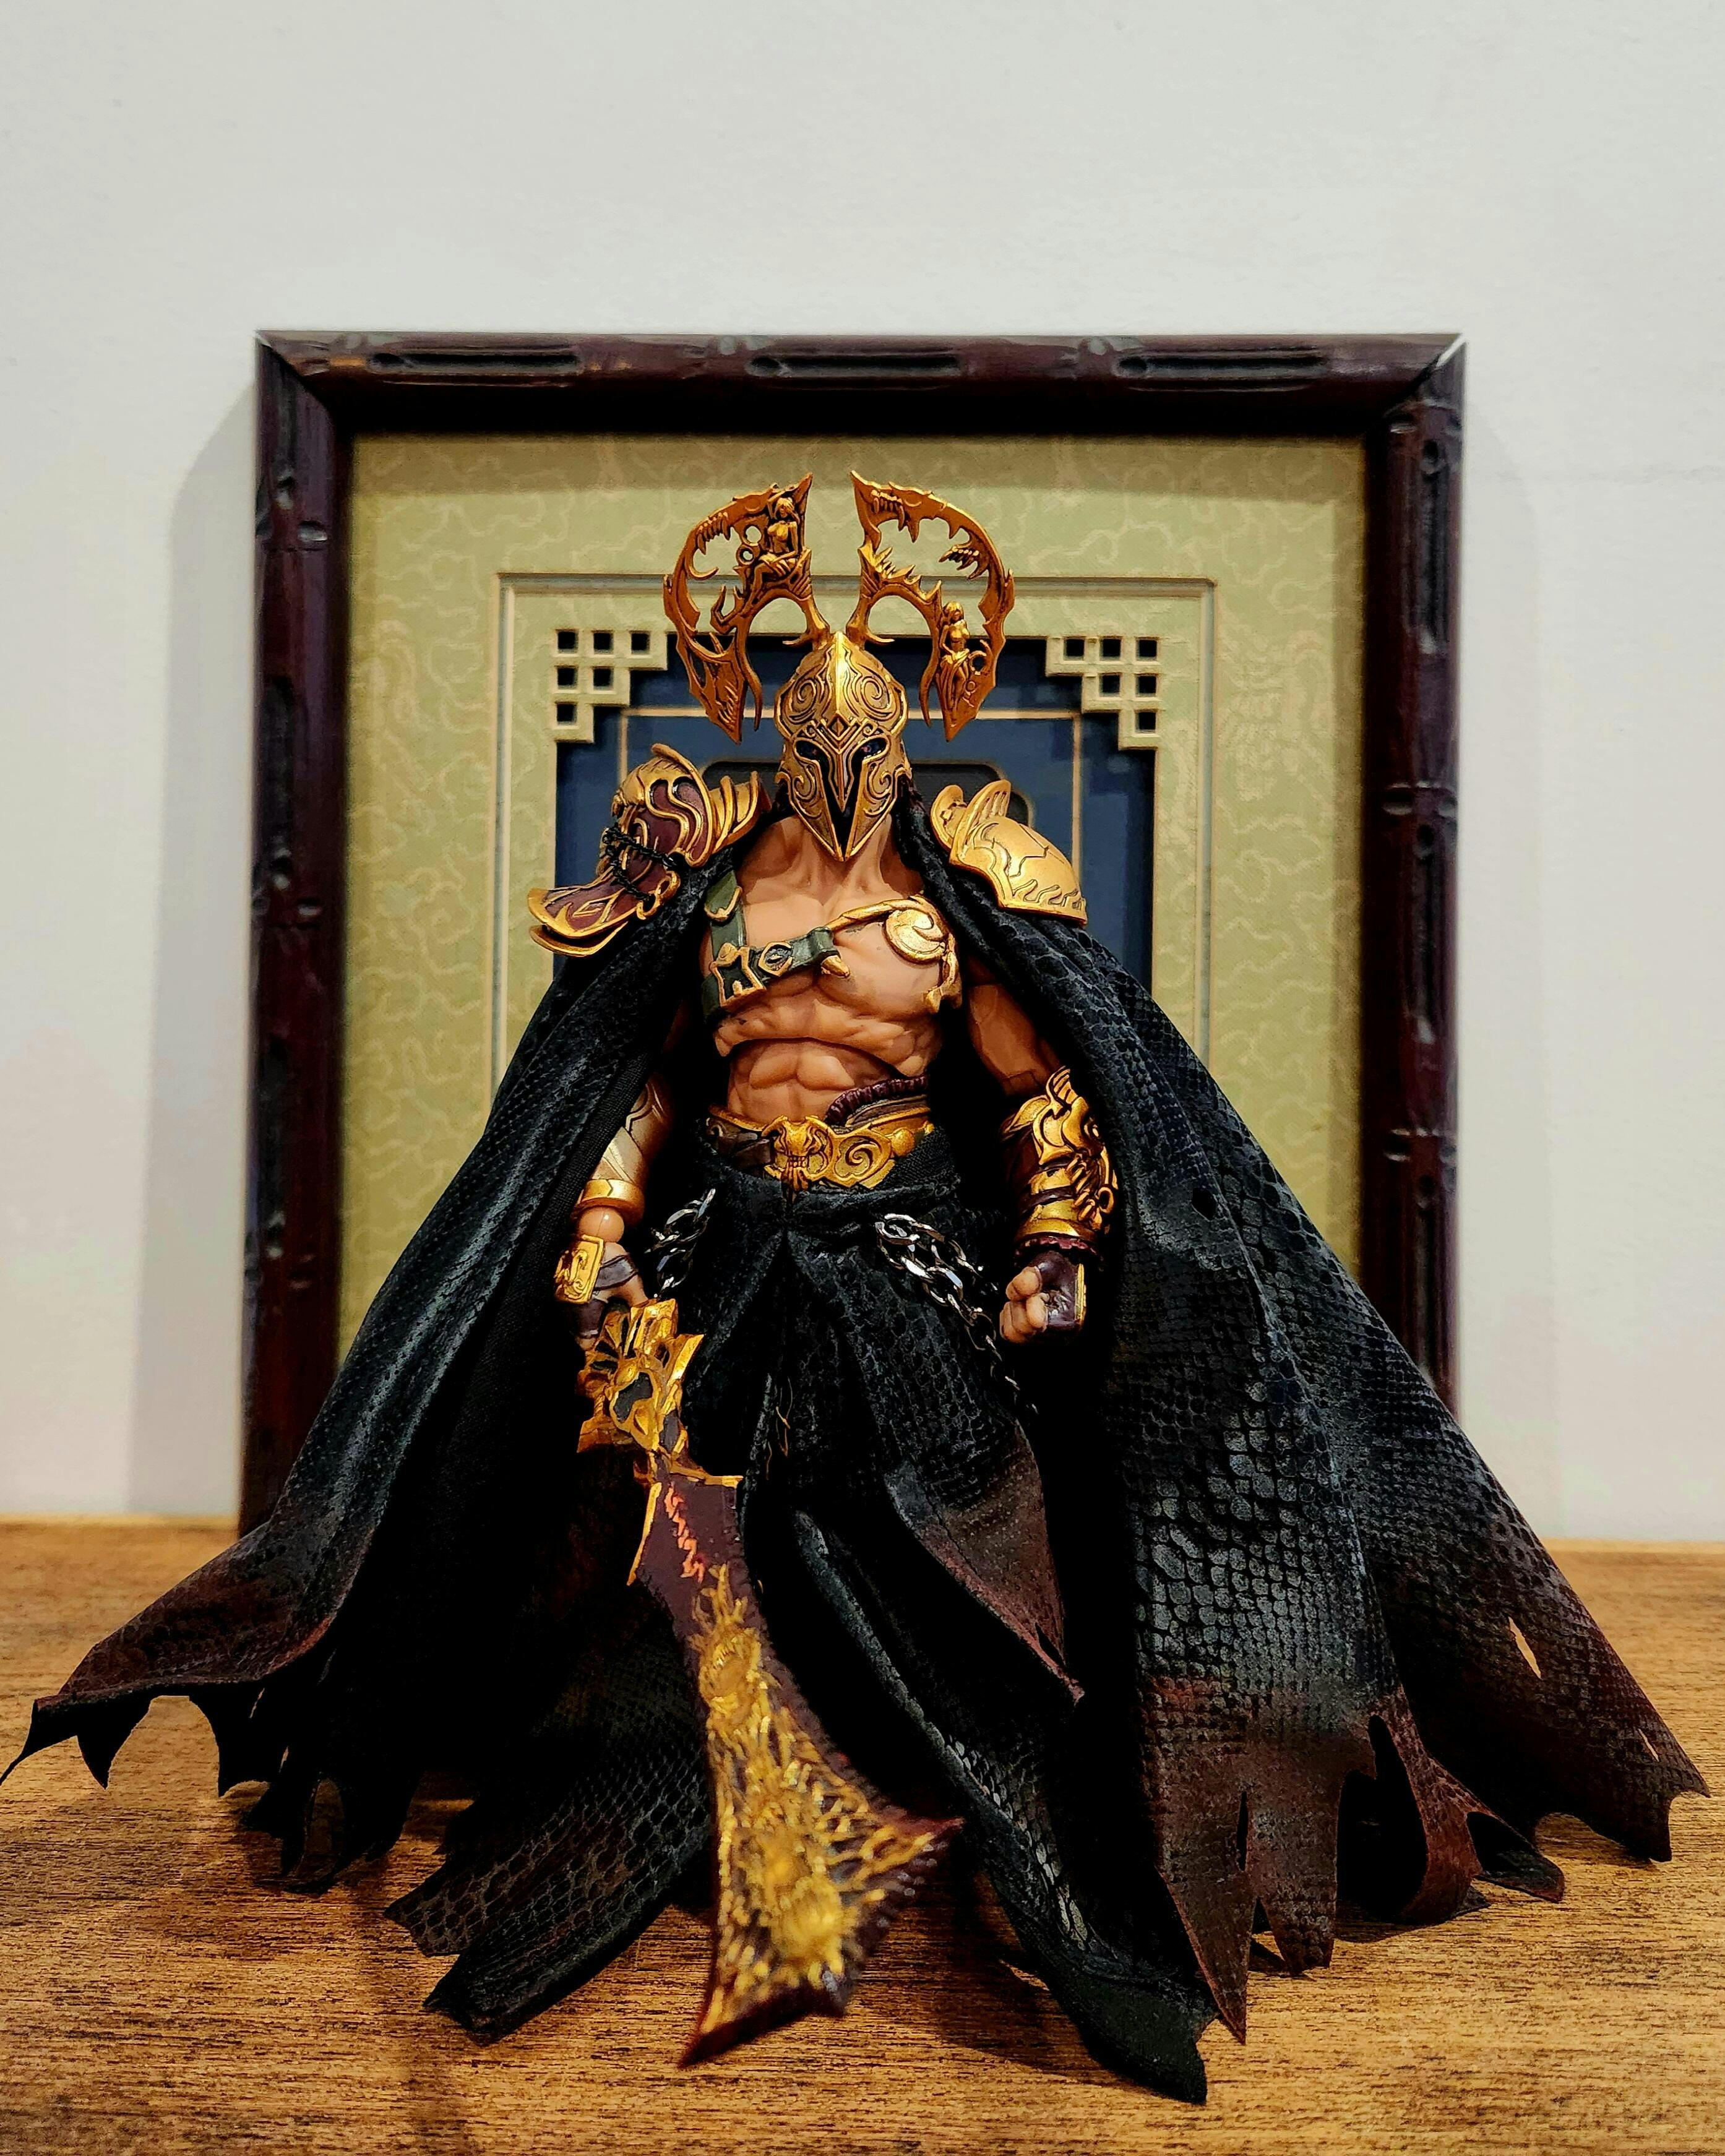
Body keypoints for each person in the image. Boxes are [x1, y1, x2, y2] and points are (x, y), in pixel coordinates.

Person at [14, 475, 1700, 2103]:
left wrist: (1054, 1249)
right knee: (659, 1524)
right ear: (767, 731)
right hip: (725, 1238)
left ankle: (978, 1787)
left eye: (862, 742)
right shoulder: (703, 881)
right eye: (809, 739)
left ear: (903, 739)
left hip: (900, 1244)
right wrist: (599, 1222)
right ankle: (672, 1779)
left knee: (959, 1527)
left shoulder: (965, 897)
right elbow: (634, 1081)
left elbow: (1045, 1094)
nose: (833, 764)